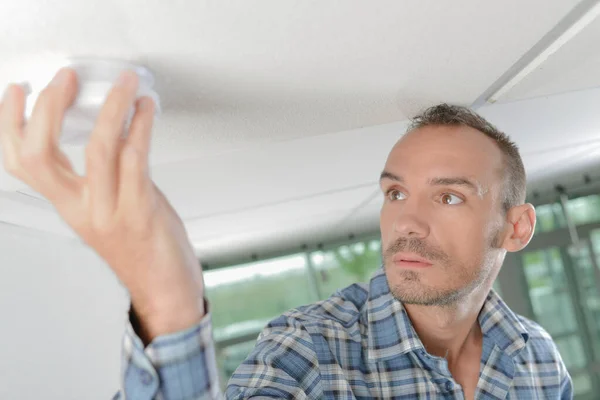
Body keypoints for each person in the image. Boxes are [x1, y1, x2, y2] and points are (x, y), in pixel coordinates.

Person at [0, 68, 573, 400]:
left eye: (448, 196)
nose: (407, 222)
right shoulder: (311, 351)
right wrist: (167, 303)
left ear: (516, 226)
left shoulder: (540, 362)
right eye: (395, 193)